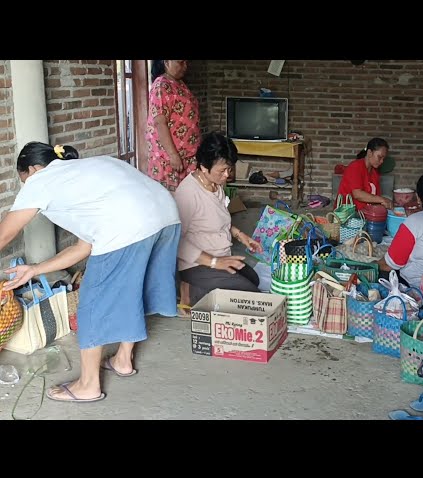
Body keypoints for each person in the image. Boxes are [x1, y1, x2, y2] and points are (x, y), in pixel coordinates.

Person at [1, 142, 181, 403]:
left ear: (31, 169)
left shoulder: (40, 180)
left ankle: (88, 385)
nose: (25, 186)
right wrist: (35, 270)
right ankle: (122, 360)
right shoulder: (85, 172)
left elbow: (5, 233)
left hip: (129, 226)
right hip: (166, 216)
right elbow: (83, 247)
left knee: (92, 303)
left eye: (23, 180)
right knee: (135, 289)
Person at [174, 132, 263, 308]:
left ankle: (204, 291)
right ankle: (189, 291)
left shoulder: (215, 185)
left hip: (220, 255)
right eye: (222, 171)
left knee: (253, 279)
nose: (227, 175)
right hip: (197, 263)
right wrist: (215, 263)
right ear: (204, 167)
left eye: (229, 169)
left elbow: (217, 219)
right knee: (251, 295)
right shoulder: (188, 194)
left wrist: (240, 235)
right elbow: (177, 242)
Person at [145, 59, 201, 192]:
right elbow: (160, 122)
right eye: (181, 62)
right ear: (166, 62)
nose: (185, 66)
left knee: (186, 201)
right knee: (170, 201)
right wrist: (173, 155)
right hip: (170, 159)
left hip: (187, 156)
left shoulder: (179, 83)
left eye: (186, 62)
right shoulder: (161, 86)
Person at [335, 137, 393, 211]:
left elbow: (376, 197)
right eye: (379, 157)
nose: (381, 161)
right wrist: (382, 200)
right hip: (348, 215)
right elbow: (357, 194)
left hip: (365, 214)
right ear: (369, 153)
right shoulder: (355, 167)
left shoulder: (374, 172)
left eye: (383, 159)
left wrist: (384, 203)